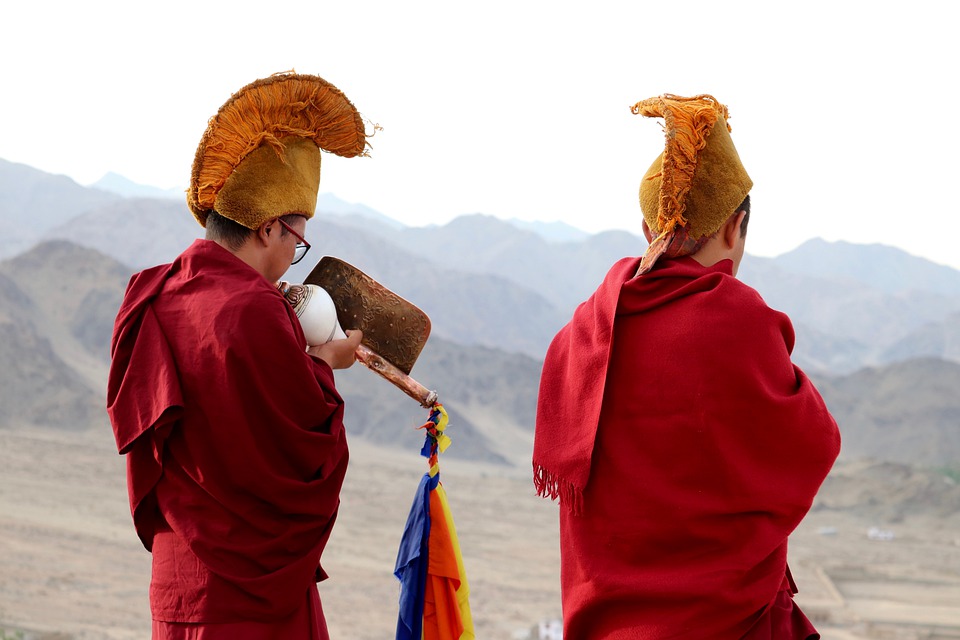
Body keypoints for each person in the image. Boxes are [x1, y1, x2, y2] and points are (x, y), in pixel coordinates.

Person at [533, 94, 841, 639]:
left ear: (648, 227)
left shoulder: (580, 336)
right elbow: (813, 443)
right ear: (734, 226)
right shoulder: (737, 319)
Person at [107, 72, 368, 639]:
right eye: (297, 242)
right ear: (269, 227)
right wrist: (324, 365)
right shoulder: (253, 309)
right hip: (248, 597)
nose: (294, 256)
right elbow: (300, 453)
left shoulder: (152, 292)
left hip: (178, 583)